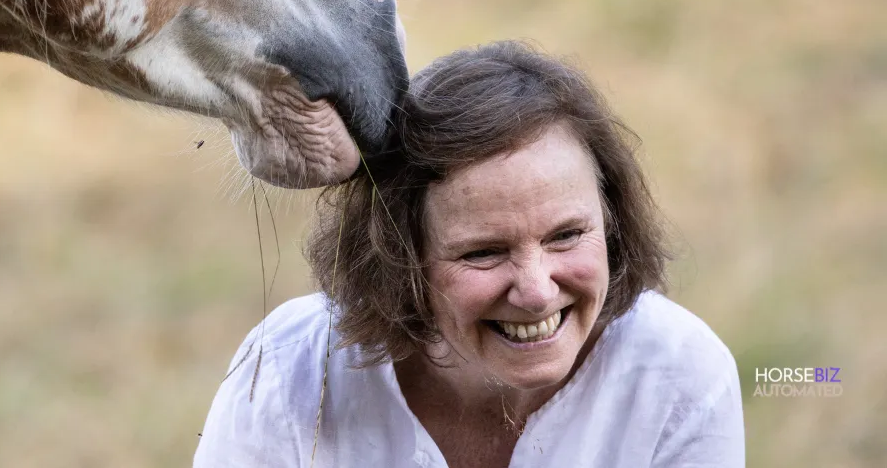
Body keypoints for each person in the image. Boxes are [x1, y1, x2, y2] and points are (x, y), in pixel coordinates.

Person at [194, 41, 745, 467]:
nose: (535, 290)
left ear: (612, 223)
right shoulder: (290, 370)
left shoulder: (676, 373)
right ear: (400, 258)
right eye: (483, 252)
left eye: (566, 236)